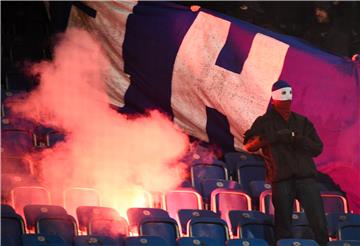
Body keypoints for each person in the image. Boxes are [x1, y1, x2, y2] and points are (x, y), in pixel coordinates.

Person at [243, 80, 329, 246]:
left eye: (290, 94)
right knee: (283, 225)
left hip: (305, 178)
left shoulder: (302, 122)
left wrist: (298, 138)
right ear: (273, 98)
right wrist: (272, 138)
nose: (288, 98)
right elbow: (248, 145)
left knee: (319, 222)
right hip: (281, 179)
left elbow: (318, 148)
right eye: (283, 94)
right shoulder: (264, 122)